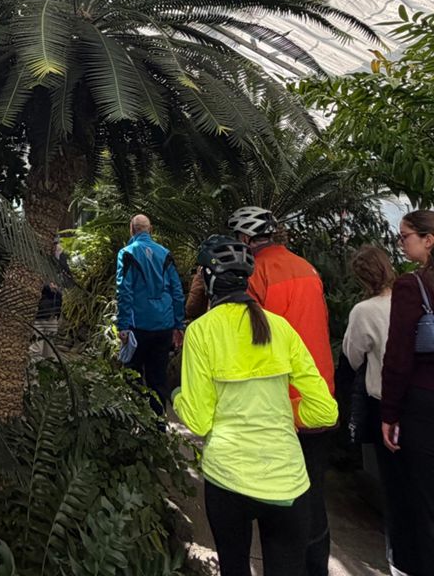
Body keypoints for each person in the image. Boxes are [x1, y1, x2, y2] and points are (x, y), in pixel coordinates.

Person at [174, 235, 338, 576]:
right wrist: (284, 414)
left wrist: (176, 396)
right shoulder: (281, 327)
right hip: (288, 480)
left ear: (208, 278)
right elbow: (325, 410)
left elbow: (199, 420)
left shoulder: (201, 332)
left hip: (228, 478)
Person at [227, 205, 335, 576]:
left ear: (245, 238)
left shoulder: (254, 274)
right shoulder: (307, 269)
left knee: (277, 502)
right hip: (318, 397)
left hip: (279, 406)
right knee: (314, 495)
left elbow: (250, 343)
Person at [343, 245, 408, 570]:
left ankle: (398, 559)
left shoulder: (365, 311)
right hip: (418, 402)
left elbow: (352, 355)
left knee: (394, 486)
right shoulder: (412, 300)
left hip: (383, 403)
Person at [381, 210, 434, 576]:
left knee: (424, 501)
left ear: (428, 240)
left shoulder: (411, 287)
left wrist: (389, 413)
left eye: (405, 237)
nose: (401, 243)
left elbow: (398, 356)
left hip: (423, 404)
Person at [116, 213, 185, 416]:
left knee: (133, 376)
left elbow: (124, 291)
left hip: (138, 326)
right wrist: (178, 324)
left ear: (131, 230)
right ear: (151, 229)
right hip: (164, 325)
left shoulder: (127, 253)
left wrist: (123, 325)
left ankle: (137, 422)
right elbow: (177, 291)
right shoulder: (165, 254)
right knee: (158, 378)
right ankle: (158, 424)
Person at [31, 238, 72, 360]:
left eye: (56, 244)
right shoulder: (35, 258)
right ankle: (32, 372)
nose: (54, 247)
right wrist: (47, 286)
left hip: (52, 314)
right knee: (35, 351)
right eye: (53, 244)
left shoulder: (58, 260)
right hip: (39, 314)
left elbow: (69, 281)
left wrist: (61, 258)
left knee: (49, 353)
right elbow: (31, 281)